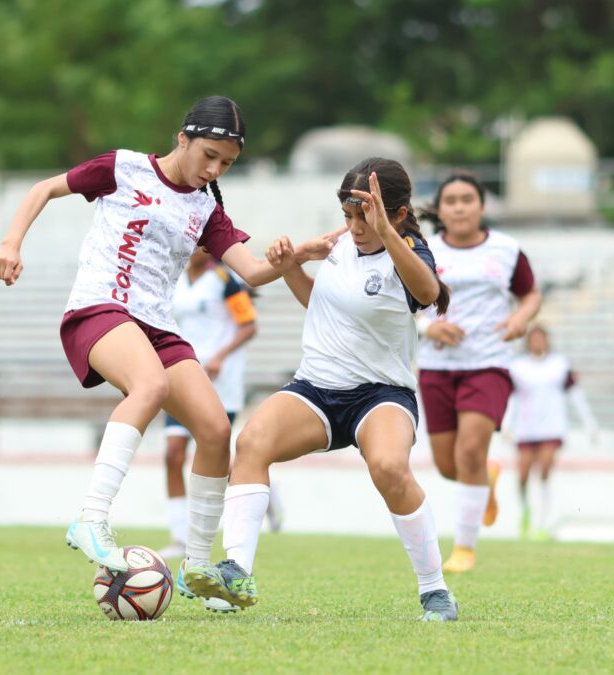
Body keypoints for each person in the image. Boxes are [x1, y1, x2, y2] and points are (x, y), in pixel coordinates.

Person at [0, 96, 339, 590]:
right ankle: (91, 517)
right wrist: (10, 243)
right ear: (183, 139)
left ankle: (197, 563)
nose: (213, 169)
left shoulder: (207, 207)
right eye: (208, 156)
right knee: (148, 386)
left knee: (216, 429)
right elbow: (45, 188)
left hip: (155, 324)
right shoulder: (122, 168)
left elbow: (255, 272)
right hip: (98, 308)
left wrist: (297, 253)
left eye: (227, 163)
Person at [184, 158, 460, 622]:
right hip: (316, 387)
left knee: (390, 467)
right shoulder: (337, 245)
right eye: (348, 216)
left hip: (381, 394)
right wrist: (290, 265)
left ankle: (435, 590)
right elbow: (320, 304)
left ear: (396, 213)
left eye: (364, 217)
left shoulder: (409, 250)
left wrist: (387, 235)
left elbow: (429, 293)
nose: (353, 228)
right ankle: (236, 572)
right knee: (250, 442)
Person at [416, 171, 541, 573]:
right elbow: (405, 305)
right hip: (436, 367)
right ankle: (485, 476)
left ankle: (464, 550)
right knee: (449, 465)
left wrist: (522, 317)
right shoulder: (424, 251)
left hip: (488, 365)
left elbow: (530, 293)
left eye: (467, 199)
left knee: (469, 450)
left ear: (482, 206)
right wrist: (428, 326)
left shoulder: (506, 249)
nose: (459, 206)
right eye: (450, 200)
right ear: (440, 209)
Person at [161, 247, 284, 561]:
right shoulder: (175, 279)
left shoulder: (224, 279)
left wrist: (218, 357)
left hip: (219, 380)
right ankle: (179, 537)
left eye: (201, 243)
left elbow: (249, 325)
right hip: (183, 375)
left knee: (214, 455)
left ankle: (262, 490)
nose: (193, 248)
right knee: (173, 454)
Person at [504, 325, 598, 539]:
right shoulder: (518, 367)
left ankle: (542, 523)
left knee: (545, 470)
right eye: (534, 339)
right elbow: (512, 398)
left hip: (552, 427)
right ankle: (526, 509)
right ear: (528, 342)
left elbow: (575, 395)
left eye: (541, 338)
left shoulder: (559, 365)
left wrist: (589, 423)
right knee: (523, 475)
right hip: (527, 428)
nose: (538, 342)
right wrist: (506, 424)